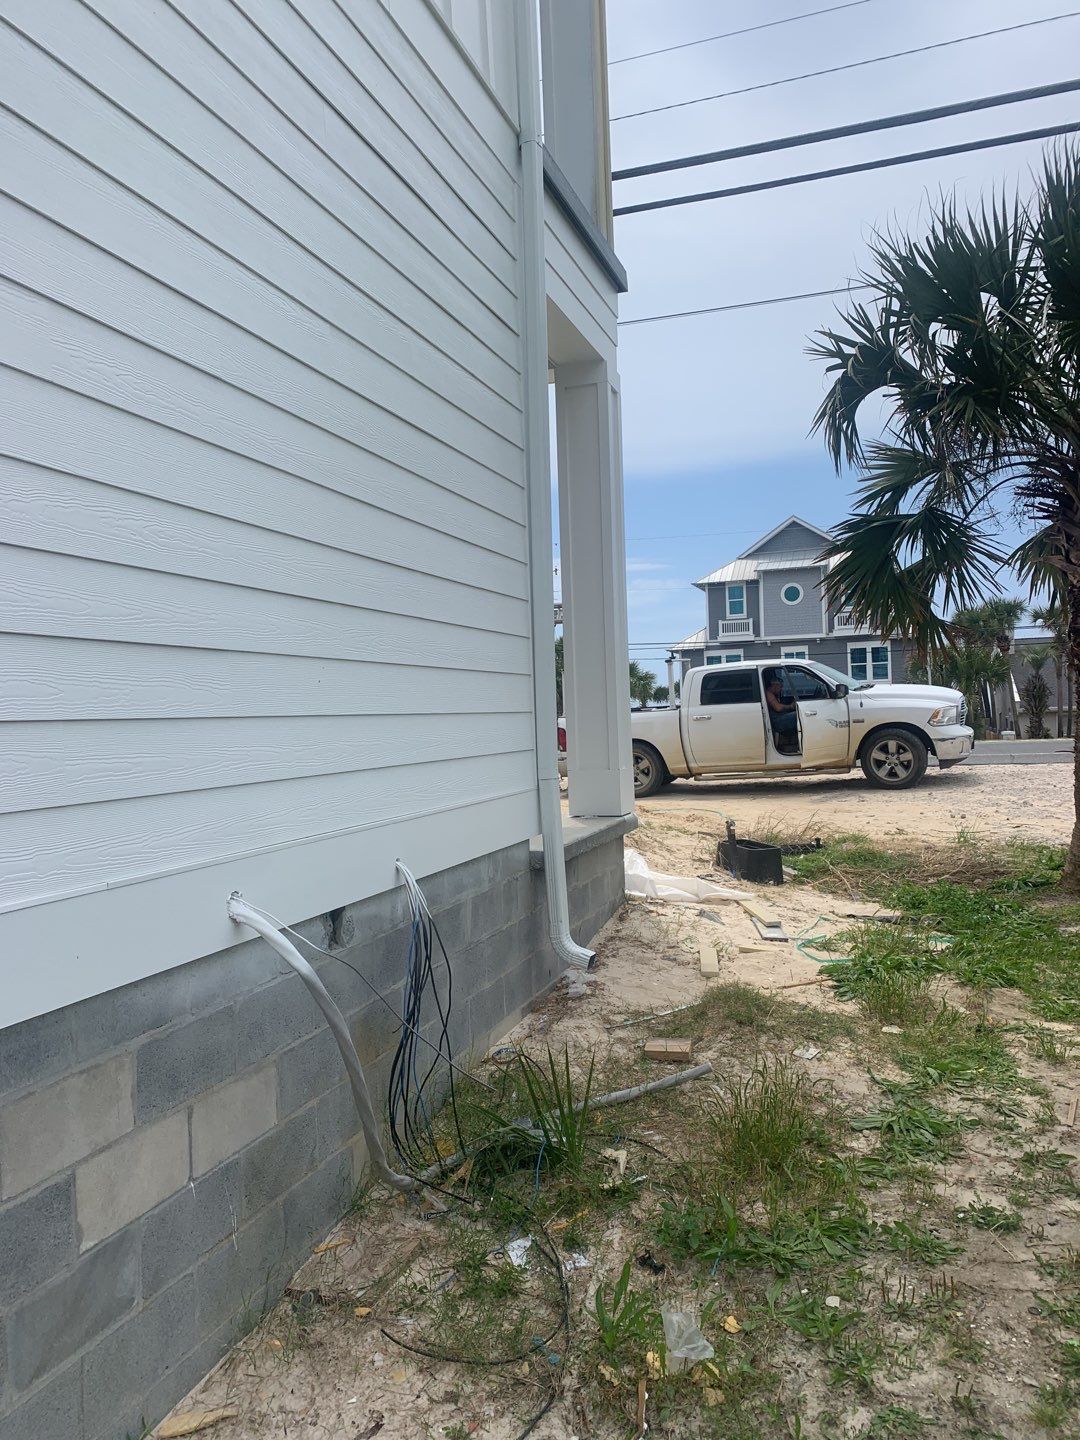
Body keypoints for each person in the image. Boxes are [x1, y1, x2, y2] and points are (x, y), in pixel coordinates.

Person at [765, 675, 799, 747]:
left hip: (779, 716)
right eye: (781, 687)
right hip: (776, 722)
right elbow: (778, 708)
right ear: (775, 686)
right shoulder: (768, 694)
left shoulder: (773, 694)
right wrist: (791, 706)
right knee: (799, 714)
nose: (781, 689)